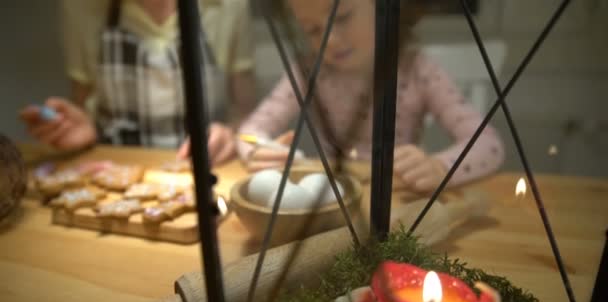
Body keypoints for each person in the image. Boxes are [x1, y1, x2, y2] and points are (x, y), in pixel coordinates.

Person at [238, 0, 504, 192]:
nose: (329, 39)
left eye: (341, 17)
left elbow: (488, 145)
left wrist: (440, 168)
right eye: (312, 30)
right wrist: (258, 150)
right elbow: (249, 131)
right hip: (333, 201)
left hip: (398, 200)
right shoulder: (308, 71)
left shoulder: (416, 69)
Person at [20, 0, 256, 166]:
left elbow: (246, 115)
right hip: (115, 167)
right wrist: (81, 129)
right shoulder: (82, 7)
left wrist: (232, 134)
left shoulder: (229, 5)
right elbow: (82, 105)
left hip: (207, 169)